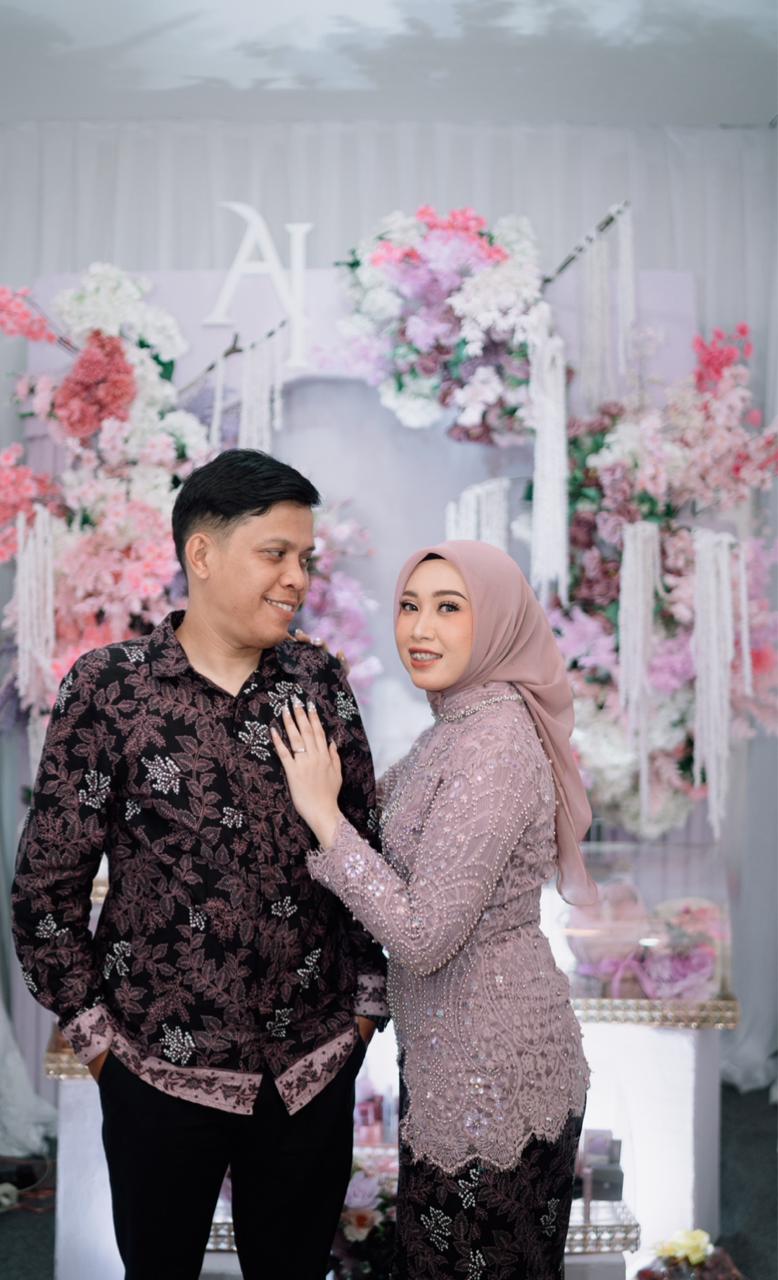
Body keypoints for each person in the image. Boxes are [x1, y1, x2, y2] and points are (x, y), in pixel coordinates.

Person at [11, 448, 388, 1280]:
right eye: (276, 554)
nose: (296, 578)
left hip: (310, 1067)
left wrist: (363, 1015)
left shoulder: (317, 680)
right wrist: (101, 1044)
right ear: (203, 554)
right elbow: (46, 889)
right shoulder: (111, 689)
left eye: (305, 559)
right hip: (156, 1070)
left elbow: (364, 846)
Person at [272, 540, 598, 1280]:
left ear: (499, 621)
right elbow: (378, 830)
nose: (420, 628)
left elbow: (423, 935)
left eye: (450, 608)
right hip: (459, 1062)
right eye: (409, 606)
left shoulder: (495, 745)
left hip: (493, 1077)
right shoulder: (454, 729)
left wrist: (324, 821)